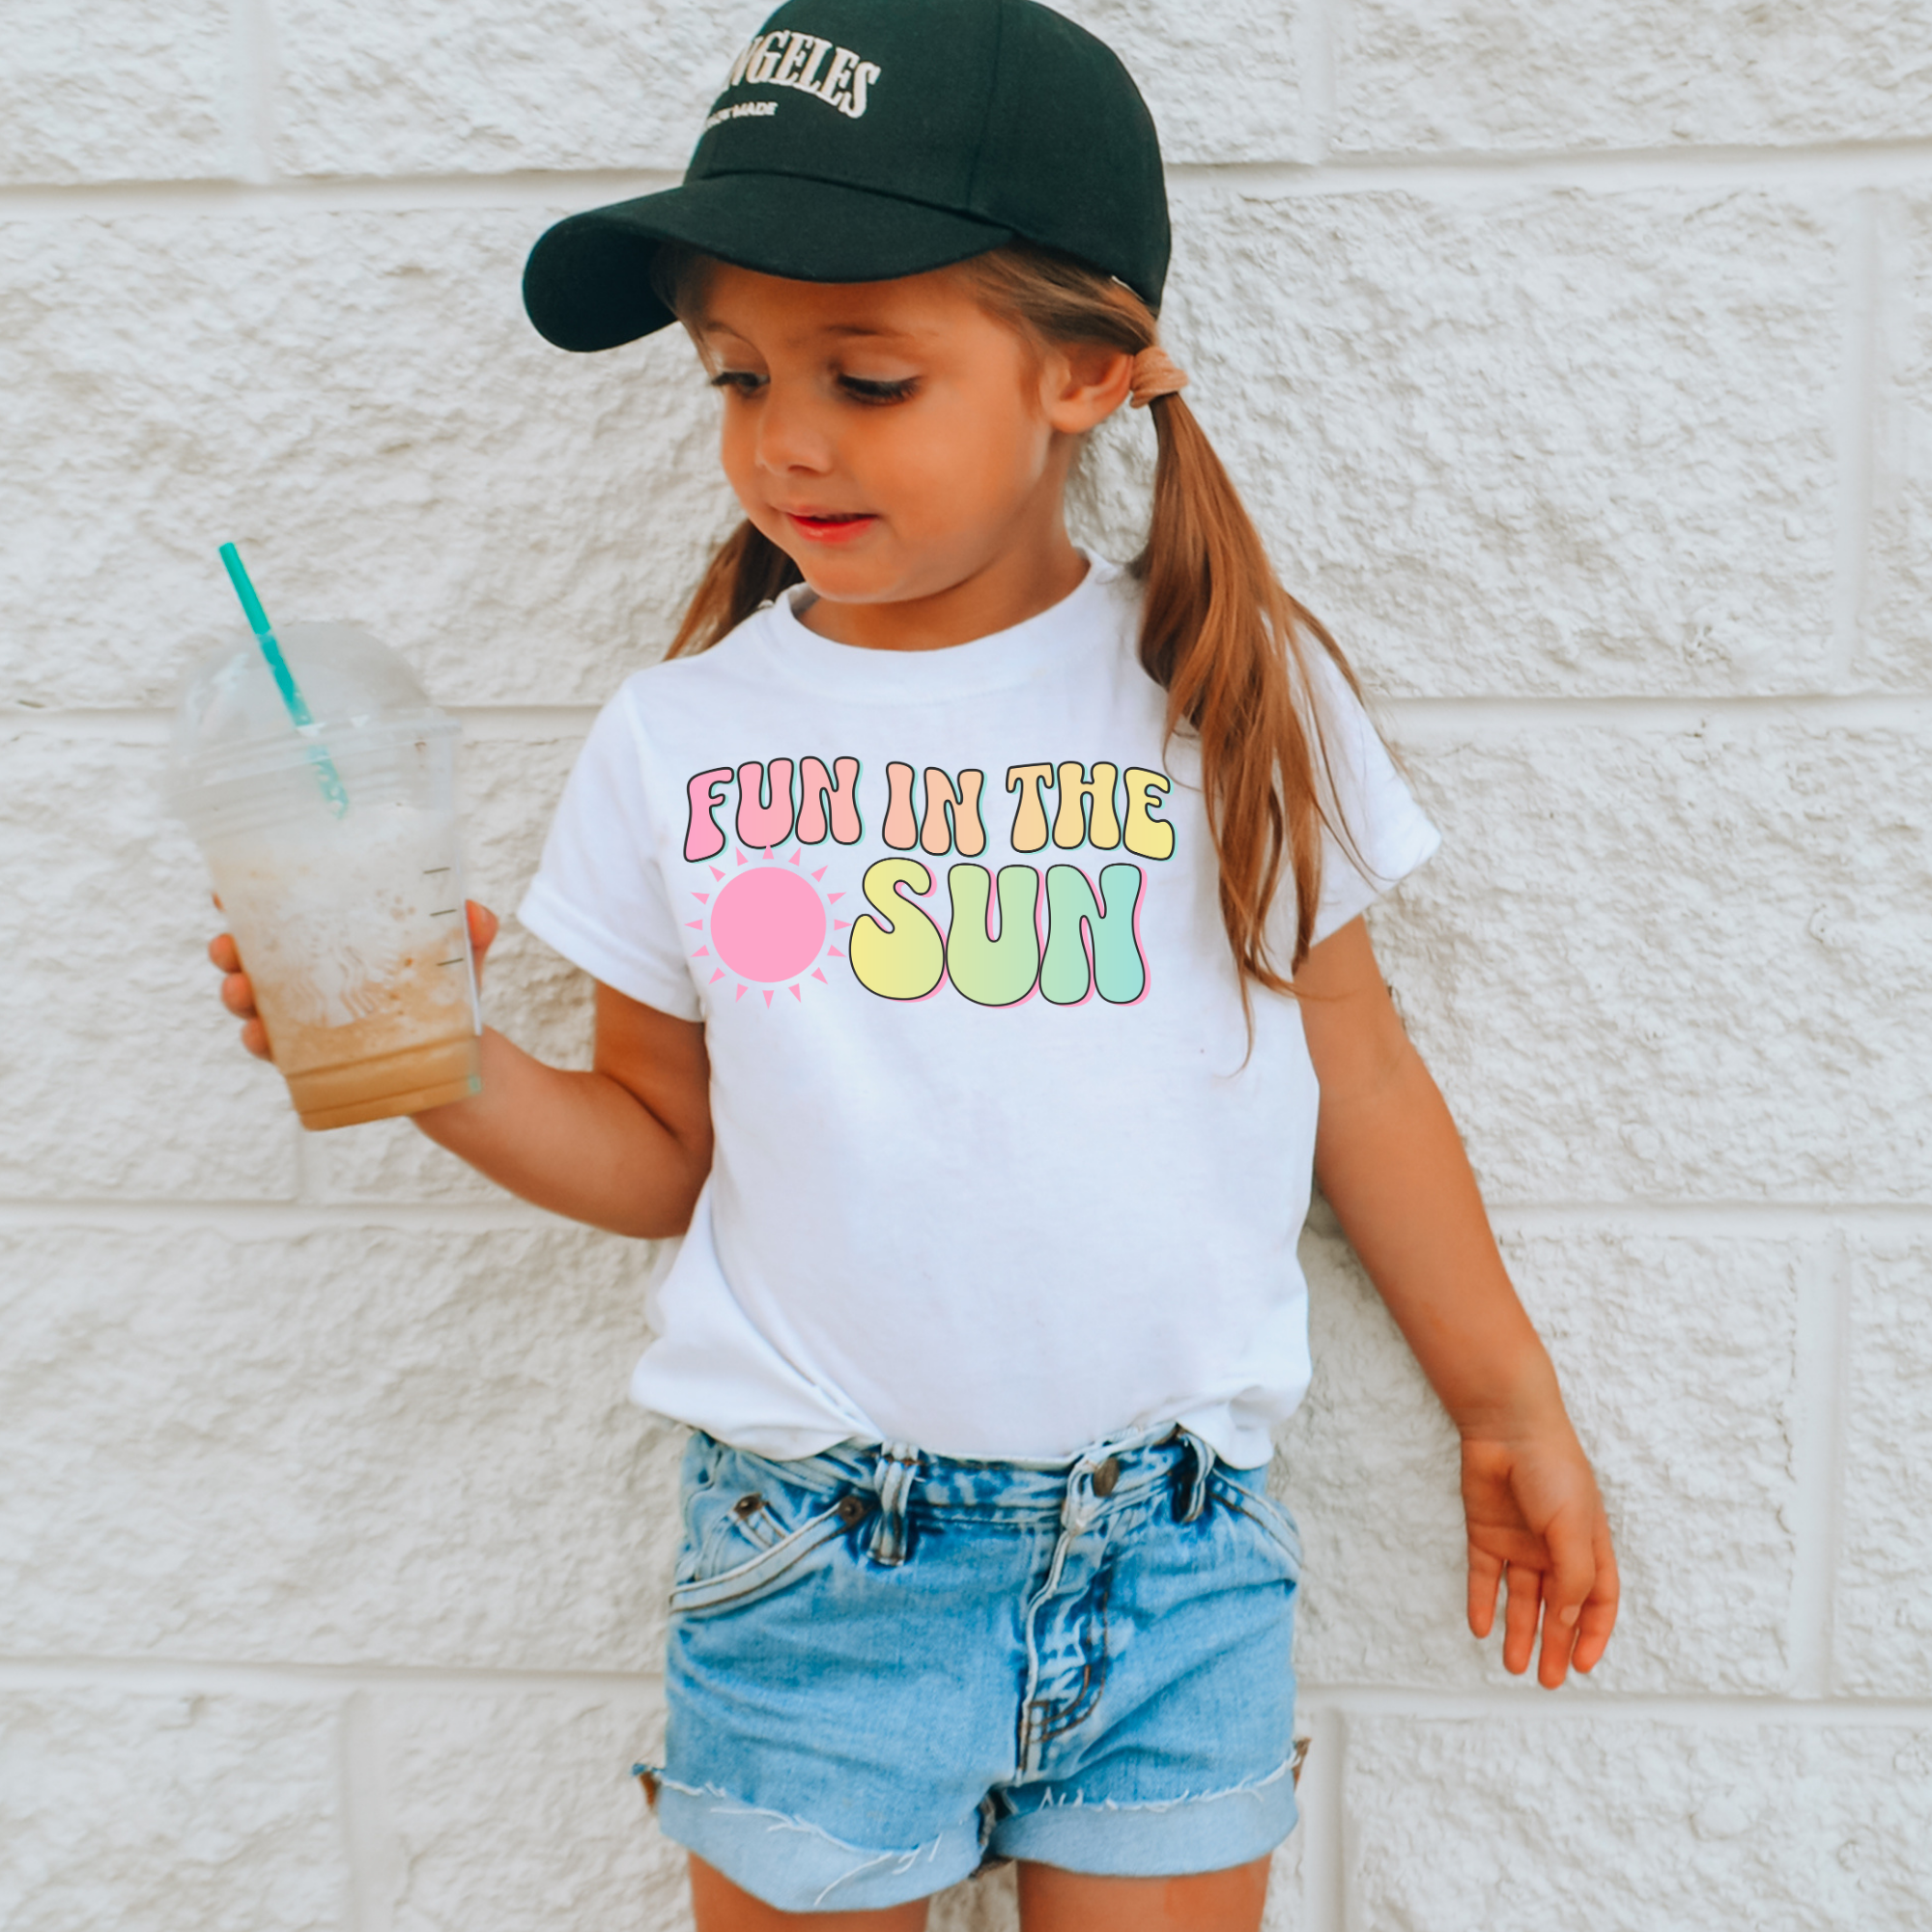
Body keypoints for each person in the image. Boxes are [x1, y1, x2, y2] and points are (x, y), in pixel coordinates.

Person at [210, 3, 1619, 1926]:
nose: (782, 441)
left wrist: (1507, 1401)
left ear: (1087, 369)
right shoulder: (681, 739)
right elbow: (657, 1150)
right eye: (734, 374)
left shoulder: (1224, 695)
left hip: (1175, 1560)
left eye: (867, 378)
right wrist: (436, 1056)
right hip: (818, 1568)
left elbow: (1356, 1078)